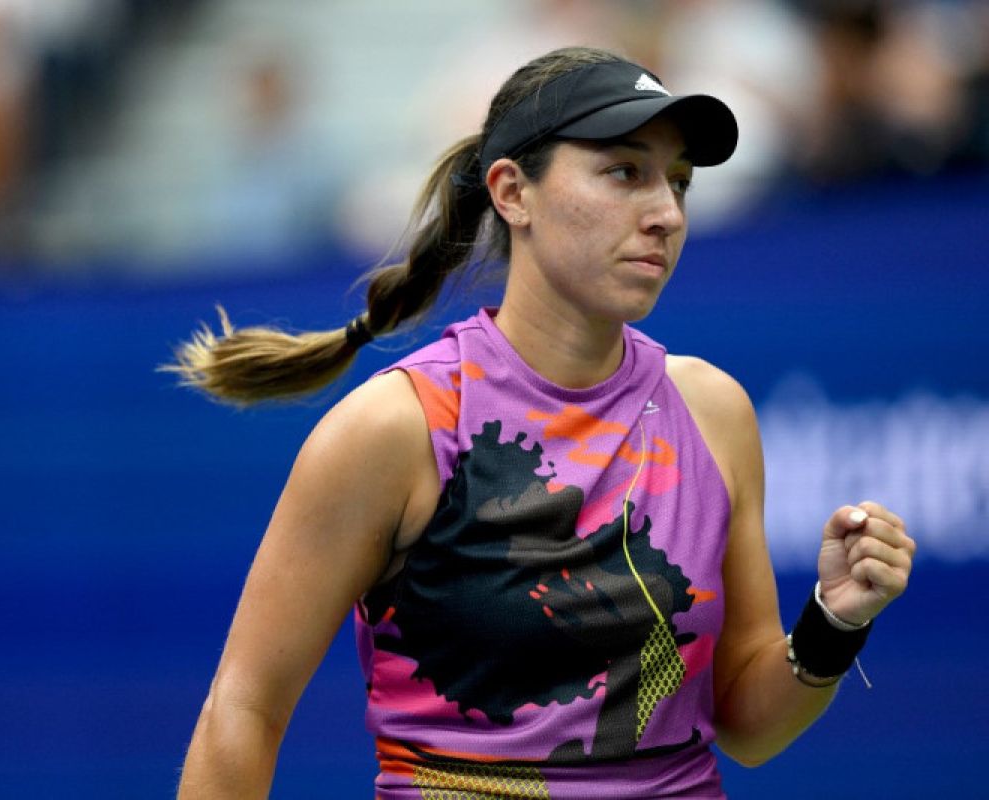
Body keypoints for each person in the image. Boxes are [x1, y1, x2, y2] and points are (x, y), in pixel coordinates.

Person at [169, 46, 916, 799]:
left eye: (678, 182)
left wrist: (832, 625)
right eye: (625, 172)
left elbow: (749, 728)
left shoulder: (713, 412)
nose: (665, 214)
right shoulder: (396, 429)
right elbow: (244, 710)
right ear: (512, 193)